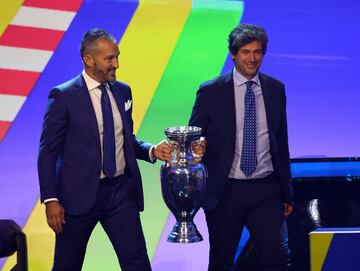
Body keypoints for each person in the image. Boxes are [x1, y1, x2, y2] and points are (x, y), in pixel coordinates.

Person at [37, 28, 173, 271]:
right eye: (109, 58)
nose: (116, 64)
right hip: (76, 198)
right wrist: (51, 199)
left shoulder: (122, 91)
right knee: (67, 266)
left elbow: (124, 139)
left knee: (137, 264)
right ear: (89, 60)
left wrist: (151, 150)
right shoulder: (63, 96)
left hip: (120, 193)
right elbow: (47, 152)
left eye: (117, 56)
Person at [189, 24, 293, 270]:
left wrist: (286, 192)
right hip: (226, 191)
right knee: (221, 262)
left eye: (258, 52)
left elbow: (281, 142)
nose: (252, 58)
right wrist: (197, 148)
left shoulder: (275, 89)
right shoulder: (211, 91)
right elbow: (193, 136)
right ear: (233, 54)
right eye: (245, 52)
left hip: (266, 189)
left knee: (278, 261)